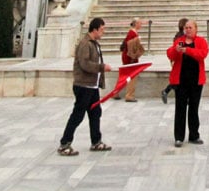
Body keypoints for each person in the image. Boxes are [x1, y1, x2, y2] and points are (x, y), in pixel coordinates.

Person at [57, 17, 112, 156]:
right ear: (95, 29)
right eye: (102, 29)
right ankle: (65, 143)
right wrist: (101, 67)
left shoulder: (94, 43)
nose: (103, 32)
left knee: (95, 113)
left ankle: (96, 141)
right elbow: (85, 64)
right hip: (83, 85)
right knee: (78, 115)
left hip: (92, 86)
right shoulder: (85, 44)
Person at [167, 19, 208, 147]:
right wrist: (176, 50)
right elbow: (170, 54)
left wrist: (187, 51)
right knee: (180, 108)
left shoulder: (201, 41)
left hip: (196, 81)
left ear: (196, 29)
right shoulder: (179, 40)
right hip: (181, 81)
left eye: (190, 27)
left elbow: (203, 54)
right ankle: (179, 137)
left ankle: (194, 135)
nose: (188, 29)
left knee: (194, 108)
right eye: (186, 27)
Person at [161, 18, 188, 104]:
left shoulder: (180, 35)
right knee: (179, 79)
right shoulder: (180, 36)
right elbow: (175, 49)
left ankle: (166, 91)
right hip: (179, 60)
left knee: (180, 79)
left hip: (181, 60)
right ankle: (166, 91)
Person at [122, 18, 145, 102]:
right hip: (130, 57)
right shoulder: (132, 33)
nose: (141, 25)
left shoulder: (133, 32)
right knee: (132, 76)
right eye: (140, 23)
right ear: (136, 24)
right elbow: (130, 45)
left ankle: (117, 93)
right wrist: (137, 40)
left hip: (130, 57)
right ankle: (129, 95)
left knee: (127, 75)